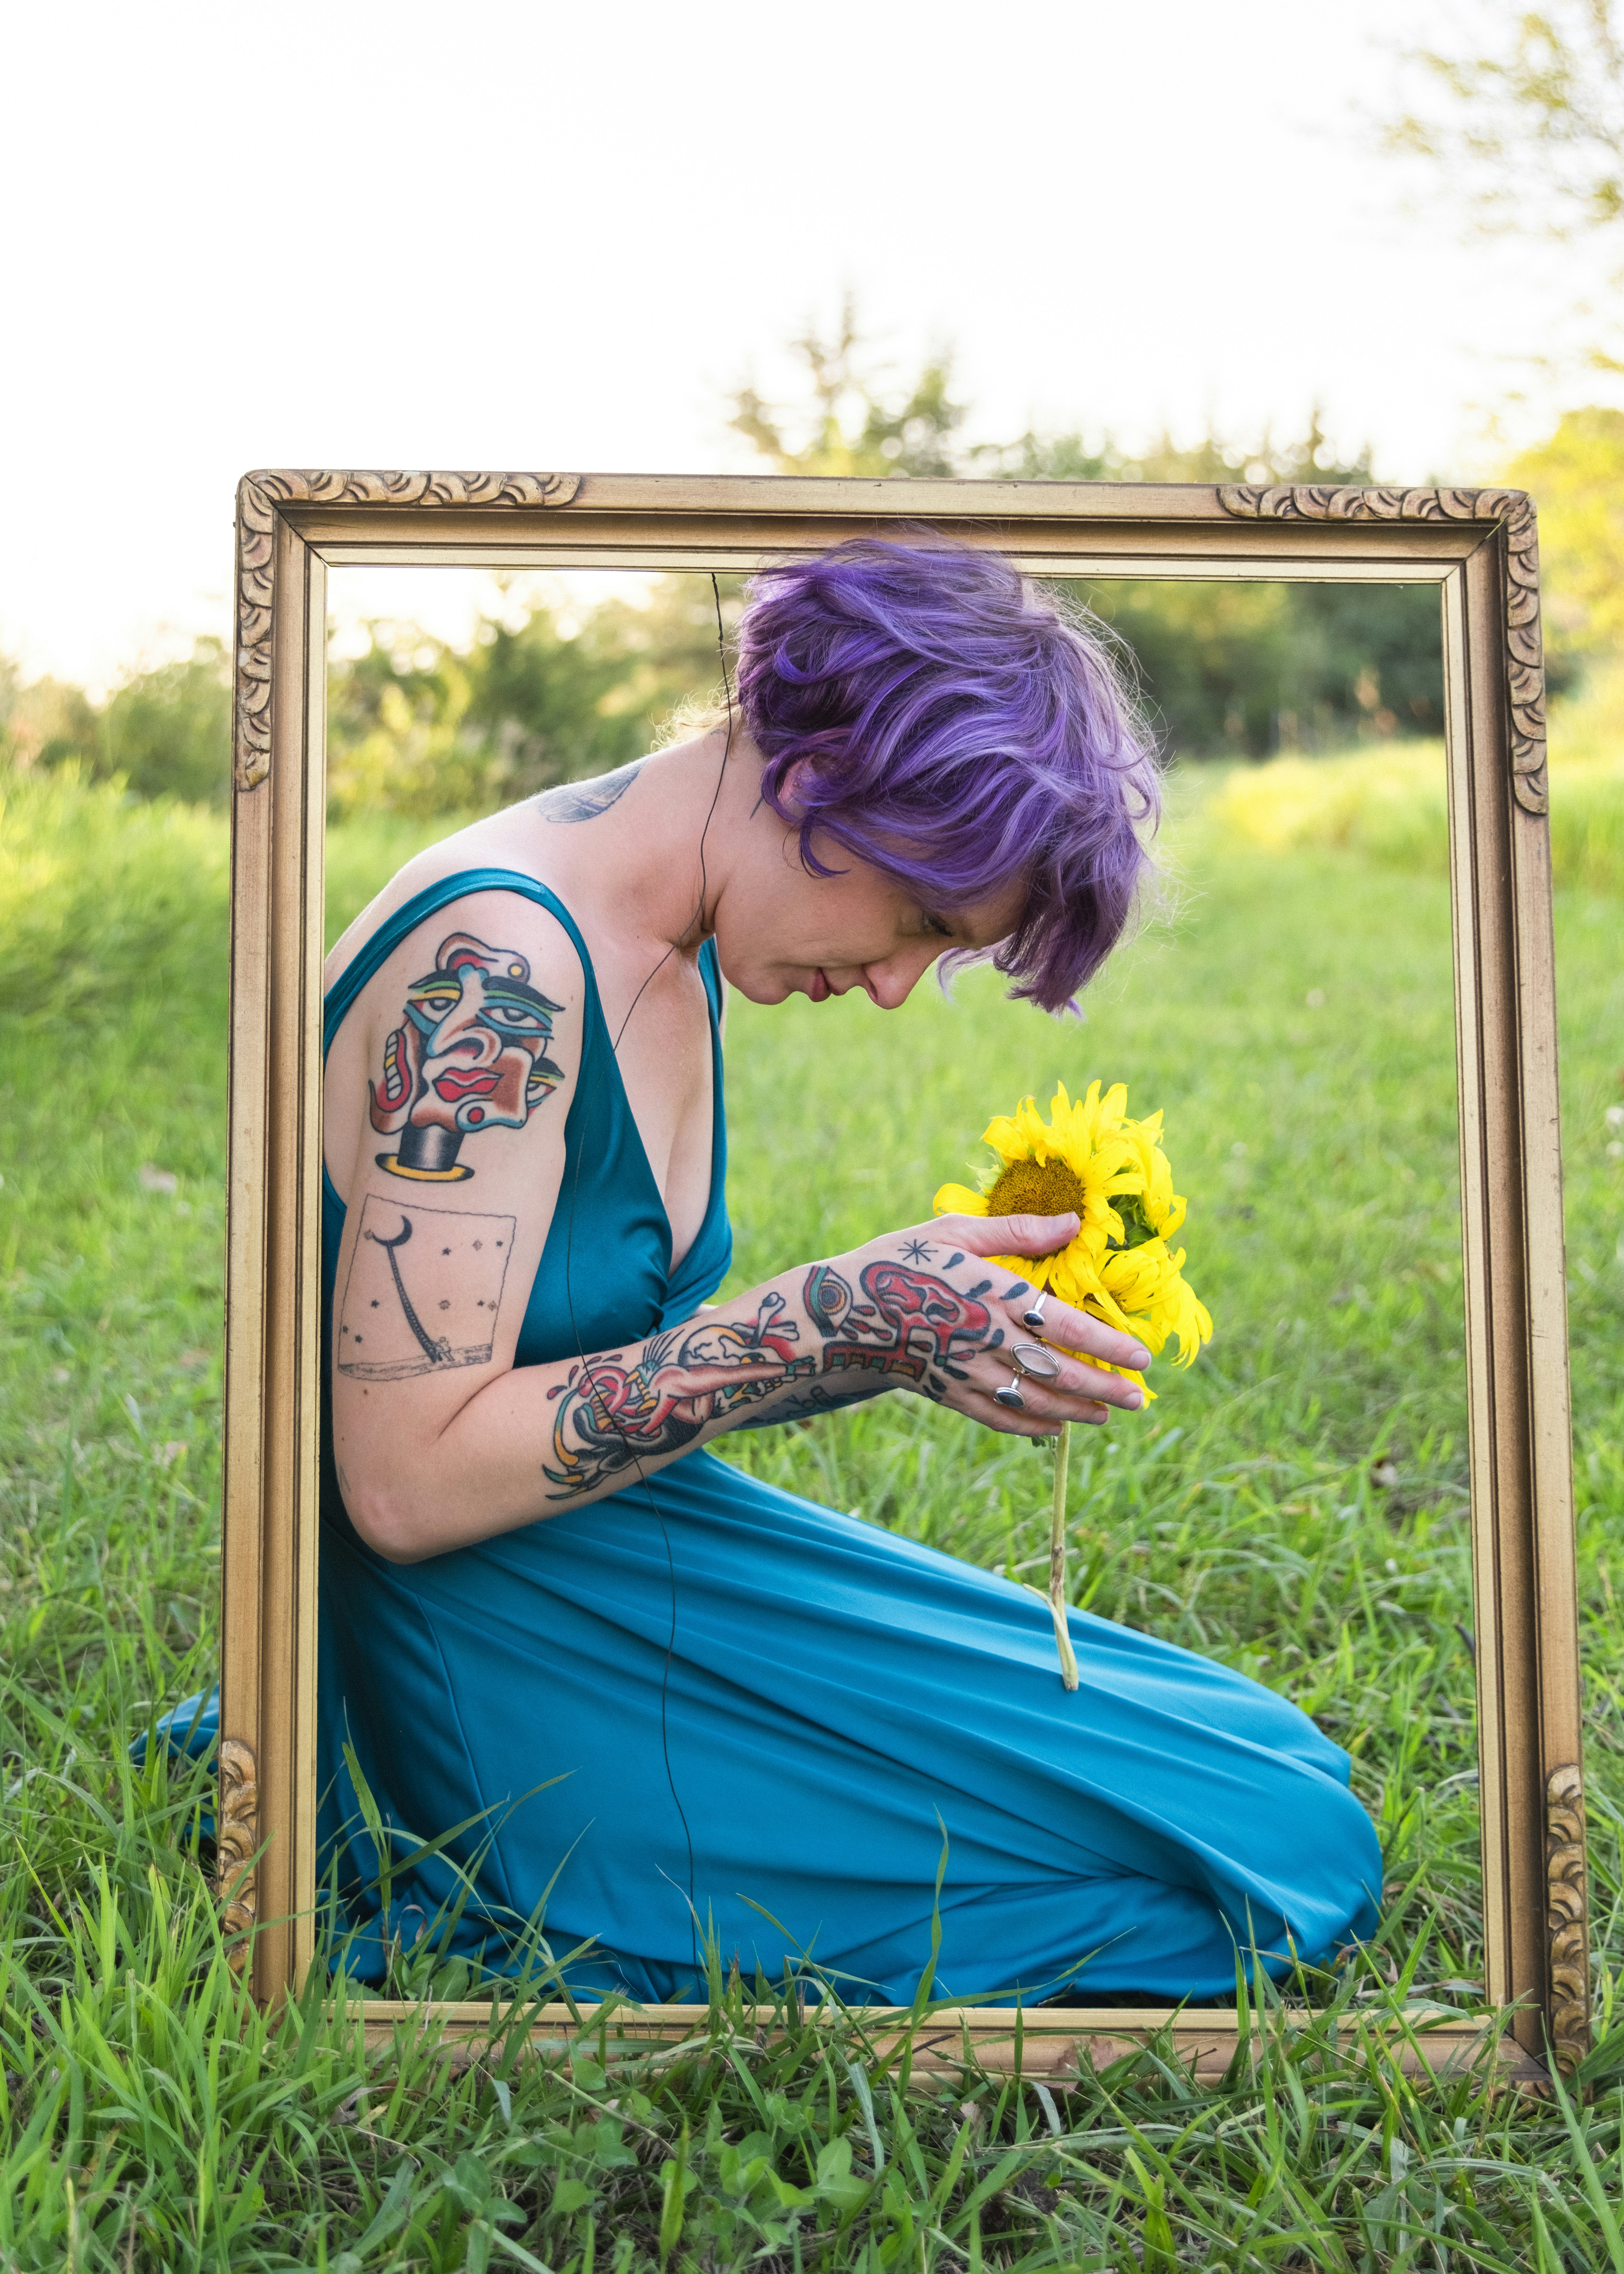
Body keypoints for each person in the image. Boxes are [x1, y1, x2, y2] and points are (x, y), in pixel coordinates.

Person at [189, 537, 1383, 2003]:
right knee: (1244, 1874)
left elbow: (602, 1379)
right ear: (816, 783)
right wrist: (812, 1312)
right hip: (490, 1659)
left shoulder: (670, 929)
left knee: (1260, 1767)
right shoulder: (501, 968)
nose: (892, 984)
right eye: (921, 920)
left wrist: (872, 1330)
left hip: (625, 1552)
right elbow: (402, 1486)